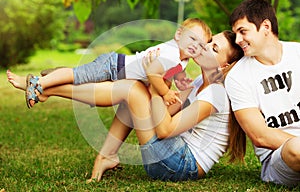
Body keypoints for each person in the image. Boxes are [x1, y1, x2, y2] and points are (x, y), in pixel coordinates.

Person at [7, 30, 244, 182]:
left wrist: (154, 84)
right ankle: (106, 155)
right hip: (173, 152)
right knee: (133, 91)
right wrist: (156, 85)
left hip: (181, 165)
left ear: (225, 66)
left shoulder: (215, 92)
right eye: (209, 42)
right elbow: (166, 112)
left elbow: (164, 129)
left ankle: (48, 88)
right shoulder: (199, 82)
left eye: (214, 49)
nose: (204, 47)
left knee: (135, 91)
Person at [23, 18, 212, 108]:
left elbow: (170, 72)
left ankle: (52, 79)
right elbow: (153, 74)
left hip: (119, 74)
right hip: (113, 65)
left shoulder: (182, 60)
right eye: (192, 39)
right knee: (78, 76)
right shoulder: (171, 53)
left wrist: (180, 80)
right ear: (178, 35)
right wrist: (166, 92)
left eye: (201, 45)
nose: (195, 46)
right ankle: (39, 83)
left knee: (84, 83)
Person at [225, 0, 300, 187]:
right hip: (280, 156)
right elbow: (260, 135)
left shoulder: (297, 54)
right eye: (235, 34)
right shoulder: (238, 76)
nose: (238, 40)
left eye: (243, 32)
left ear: (265, 26)